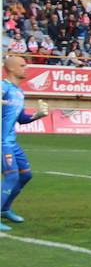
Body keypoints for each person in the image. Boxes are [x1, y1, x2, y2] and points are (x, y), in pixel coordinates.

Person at [2, 55, 50, 231]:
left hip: (11, 141)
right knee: (12, 175)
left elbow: (21, 118)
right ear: (12, 68)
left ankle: (5, 209)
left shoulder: (19, 92)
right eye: (22, 65)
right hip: (2, 142)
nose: (26, 67)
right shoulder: (3, 87)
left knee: (25, 175)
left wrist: (37, 115)